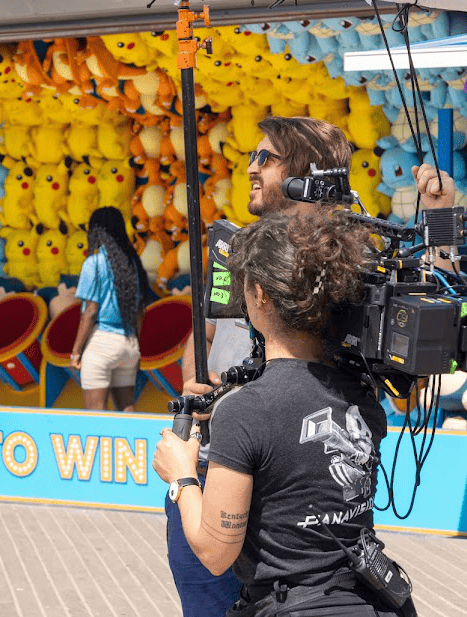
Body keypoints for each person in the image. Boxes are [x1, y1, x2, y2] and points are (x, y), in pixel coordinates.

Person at [169, 115, 455, 616]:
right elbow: (204, 331)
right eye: (251, 157)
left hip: (286, 524)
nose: (251, 168)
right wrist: (205, 384)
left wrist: (441, 224)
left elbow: (433, 334)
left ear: (308, 174)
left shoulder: (347, 267)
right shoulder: (239, 247)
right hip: (218, 466)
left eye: (266, 158)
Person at [154, 210, 416, 616]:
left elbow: (215, 552)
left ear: (259, 295)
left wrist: (182, 477)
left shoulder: (245, 411)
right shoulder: (360, 389)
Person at [69, 206, 152, 412]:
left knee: (96, 414)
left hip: (101, 343)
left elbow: (90, 311)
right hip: (129, 343)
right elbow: (139, 311)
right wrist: (135, 343)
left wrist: (76, 351)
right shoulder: (132, 263)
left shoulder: (94, 264)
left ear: (95, 231)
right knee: (127, 410)